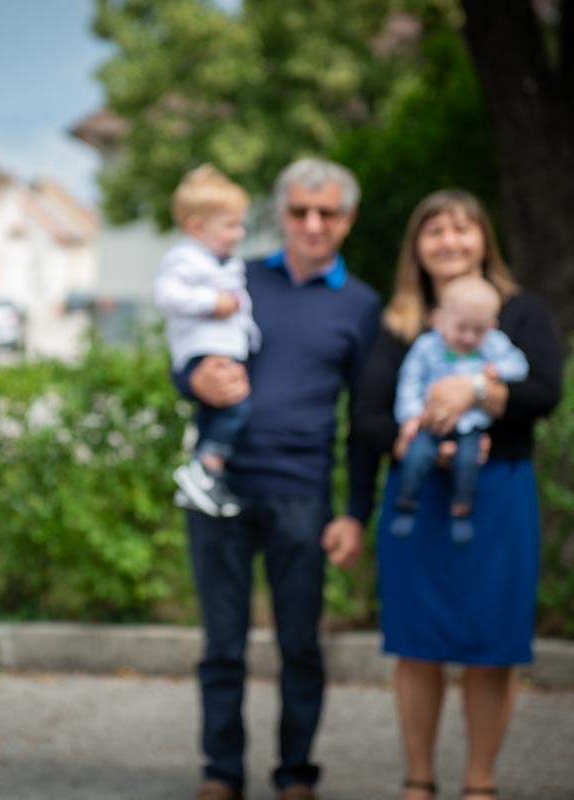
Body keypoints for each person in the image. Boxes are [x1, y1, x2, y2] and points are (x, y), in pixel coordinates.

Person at [347, 189, 562, 799]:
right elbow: (365, 419)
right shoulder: (398, 323)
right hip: (418, 498)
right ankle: (418, 779)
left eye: (462, 230)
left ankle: (479, 783)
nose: (449, 241)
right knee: (416, 643)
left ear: (483, 240)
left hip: (497, 496)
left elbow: (544, 391)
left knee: (492, 643)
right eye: (435, 231)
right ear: (417, 245)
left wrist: (475, 392)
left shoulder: (520, 313)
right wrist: (421, 443)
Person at [177, 158, 380, 800]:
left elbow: (366, 419)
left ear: (347, 220)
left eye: (327, 213)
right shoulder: (236, 278)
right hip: (221, 487)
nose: (312, 224)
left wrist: (354, 511)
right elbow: (187, 353)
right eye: (299, 211)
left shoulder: (361, 304)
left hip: (303, 491)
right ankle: (222, 772)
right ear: (281, 214)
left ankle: (296, 774)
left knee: (300, 643)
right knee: (222, 645)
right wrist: (192, 381)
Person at [154, 164, 261, 518]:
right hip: (203, 350)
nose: (239, 233)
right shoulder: (185, 258)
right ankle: (204, 466)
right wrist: (213, 302)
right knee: (235, 406)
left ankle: (204, 478)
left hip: (222, 347)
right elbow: (167, 295)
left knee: (217, 413)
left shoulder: (220, 260)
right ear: (197, 226)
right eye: (230, 225)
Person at [390, 275, 529, 544]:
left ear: (492, 326)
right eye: (462, 328)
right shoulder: (426, 347)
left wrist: (499, 370)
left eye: (479, 331)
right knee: (416, 457)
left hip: (470, 425)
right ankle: (406, 504)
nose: (468, 337)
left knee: (468, 463)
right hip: (429, 423)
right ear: (439, 319)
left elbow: (520, 365)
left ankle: (461, 511)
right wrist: (410, 416)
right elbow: (409, 381)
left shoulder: (494, 345)